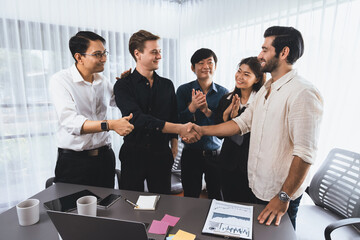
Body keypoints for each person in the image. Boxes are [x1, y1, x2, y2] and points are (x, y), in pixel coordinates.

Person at [185, 26, 323, 228]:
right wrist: (201, 130)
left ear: (283, 53)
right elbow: (241, 123)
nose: (260, 55)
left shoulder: (303, 92)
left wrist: (283, 197)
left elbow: (305, 154)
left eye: (265, 49)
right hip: (257, 187)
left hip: (279, 194)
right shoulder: (267, 89)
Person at [113, 30, 197, 194]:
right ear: (138, 54)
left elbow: (173, 114)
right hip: (133, 155)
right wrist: (178, 129)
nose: (159, 56)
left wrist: (174, 143)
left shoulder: (167, 85)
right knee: (131, 203)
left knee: (162, 203)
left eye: (159, 51)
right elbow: (136, 118)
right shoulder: (123, 85)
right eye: (154, 52)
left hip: (161, 155)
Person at [49, 31, 134, 188]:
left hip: (104, 158)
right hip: (74, 162)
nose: (104, 59)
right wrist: (110, 125)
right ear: (79, 57)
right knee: (72, 210)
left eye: (104, 53)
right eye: (97, 54)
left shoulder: (103, 81)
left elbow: (118, 102)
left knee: (106, 208)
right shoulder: (60, 80)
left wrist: (126, 85)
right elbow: (71, 122)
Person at [176, 48, 228, 199]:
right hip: (191, 154)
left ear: (215, 66)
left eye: (210, 62)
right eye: (201, 63)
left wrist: (206, 111)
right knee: (190, 196)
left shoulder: (224, 93)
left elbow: (224, 127)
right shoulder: (184, 90)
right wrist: (191, 108)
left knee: (216, 196)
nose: (206, 66)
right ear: (193, 68)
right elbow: (177, 122)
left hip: (215, 155)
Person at [213, 57, 265, 203]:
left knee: (249, 206)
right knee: (228, 203)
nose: (240, 77)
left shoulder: (261, 103)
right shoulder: (226, 99)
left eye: (246, 74)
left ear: (257, 79)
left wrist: (237, 120)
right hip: (227, 163)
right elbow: (219, 135)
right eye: (239, 71)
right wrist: (226, 117)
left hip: (250, 166)